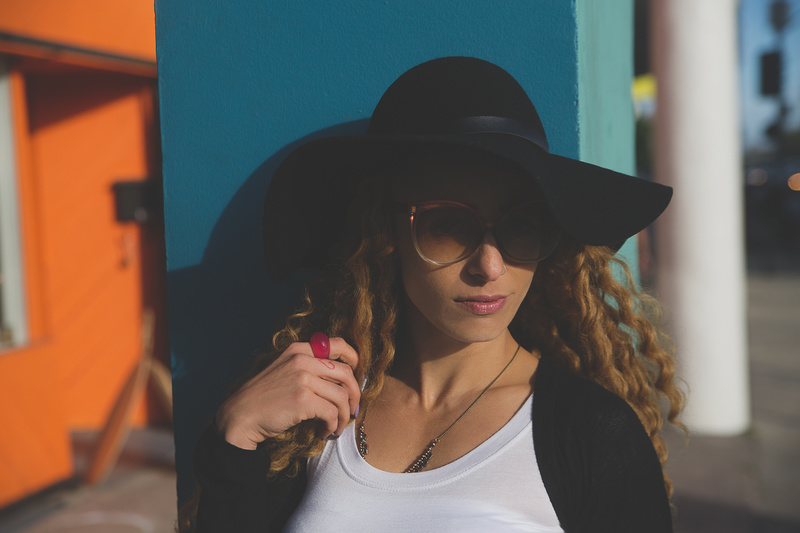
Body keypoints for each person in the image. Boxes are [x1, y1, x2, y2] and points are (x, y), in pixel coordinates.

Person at [181, 57, 684, 533]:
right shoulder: (313, 419)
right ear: (385, 232)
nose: (490, 266)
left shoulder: (592, 434)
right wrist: (237, 438)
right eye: (449, 225)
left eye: (522, 226)